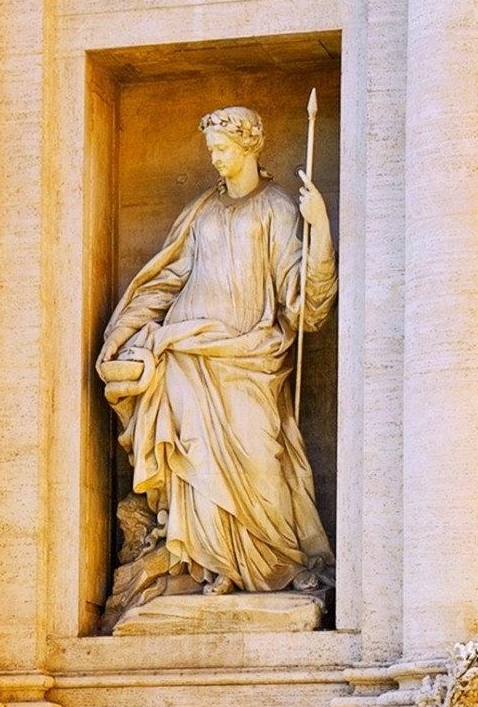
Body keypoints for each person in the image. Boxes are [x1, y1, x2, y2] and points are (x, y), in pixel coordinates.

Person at [98, 107, 335, 601]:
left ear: (249, 148)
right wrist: (124, 331)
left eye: (223, 149)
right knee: (196, 456)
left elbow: (303, 301)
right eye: (211, 150)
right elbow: (166, 279)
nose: (215, 158)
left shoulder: (277, 209)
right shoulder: (202, 210)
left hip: (251, 355)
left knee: (259, 455)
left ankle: (274, 559)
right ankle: (210, 561)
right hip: (187, 351)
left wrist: (322, 234)